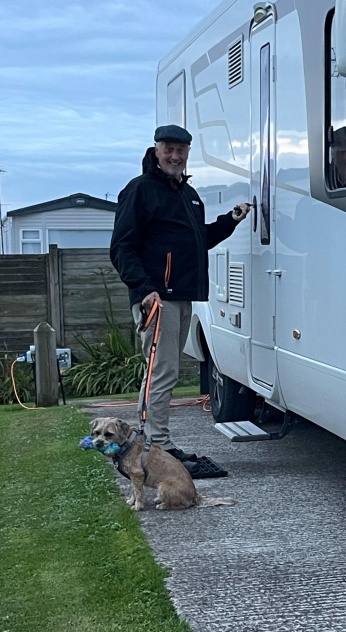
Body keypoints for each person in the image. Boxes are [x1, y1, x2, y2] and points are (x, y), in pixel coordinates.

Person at [110, 124, 250, 475]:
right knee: (162, 371)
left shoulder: (188, 194)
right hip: (157, 299)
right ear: (156, 150)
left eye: (181, 150)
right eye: (168, 149)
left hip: (182, 296)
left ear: (188, 153)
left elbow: (197, 240)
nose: (175, 156)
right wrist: (144, 289)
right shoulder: (140, 190)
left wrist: (229, 221)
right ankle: (158, 446)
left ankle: (153, 443)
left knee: (164, 371)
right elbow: (122, 246)